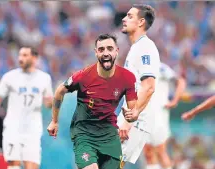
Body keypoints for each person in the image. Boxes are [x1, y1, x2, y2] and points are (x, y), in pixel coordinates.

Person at [47, 34, 138, 169]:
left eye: (109, 48)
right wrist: (54, 121)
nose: (106, 53)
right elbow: (60, 90)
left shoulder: (128, 78)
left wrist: (132, 116)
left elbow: (133, 108)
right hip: (84, 134)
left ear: (116, 51)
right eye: (101, 49)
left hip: (109, 135)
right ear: (96, 53)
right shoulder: (84, 76)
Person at [0, 47, 53, 169]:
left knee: (31, 166)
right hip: (13, 128)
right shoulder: (9, 77)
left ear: (34, 58)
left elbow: (48, 103)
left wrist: (52, 102)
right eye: (20, 55)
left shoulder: (44, 78)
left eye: (25, 55)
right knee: (13, 166)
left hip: (33, 129)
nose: (21, 58)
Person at [117, 4, 161, 167]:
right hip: (130, 116)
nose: (124, 19)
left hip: (136, 119)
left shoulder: (145, 48)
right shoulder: (136, 47)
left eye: (129, 16)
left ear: (141, 22)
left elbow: (149, 87)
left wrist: (129, 120)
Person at [143, 62, 186, 169]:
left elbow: (180, 81)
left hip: (159, 113)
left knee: (160, 150)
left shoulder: (160, 67)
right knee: (148, 152)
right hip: (144, 114)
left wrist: (175, 100)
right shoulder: (136, 67)